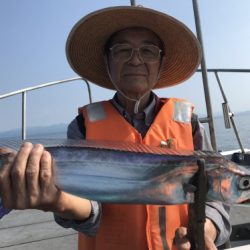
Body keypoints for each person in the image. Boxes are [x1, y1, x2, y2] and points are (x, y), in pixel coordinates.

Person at [0, 6, 230, 250]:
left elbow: (216, 197)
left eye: (148, 50)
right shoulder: (82, 127)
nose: (136, 59)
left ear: (161, 62)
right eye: (122, 50)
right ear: (107, 61)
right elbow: (90, 209)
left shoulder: (190, 123)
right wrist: (58, 201)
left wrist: (204, 229)